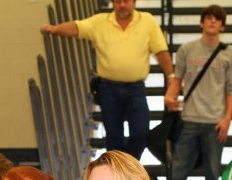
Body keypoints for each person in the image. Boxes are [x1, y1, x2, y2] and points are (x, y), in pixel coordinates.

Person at [41, 0, 174, 160]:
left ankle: (128, 164)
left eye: (126, 1)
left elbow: (161, 51)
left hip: (136, 88)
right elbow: (77, 27)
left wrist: (171, 77)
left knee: (141, 132)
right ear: (113, 3)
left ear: (134, 2)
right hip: (108, 88)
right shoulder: (100, 22)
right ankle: (118, 168)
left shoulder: (147, 21)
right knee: (113, 136)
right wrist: (55, 29)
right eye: (118, 1)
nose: (122, 5)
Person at [164, 4, 232, 180]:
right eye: (208, 18)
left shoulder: (229, 52)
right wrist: (169, 96)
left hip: (215, 123)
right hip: (189, 119)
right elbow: (177, 80)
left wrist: (227, 118)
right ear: (201, 22)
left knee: (213, 175)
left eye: (217, 19)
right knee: (177, 174)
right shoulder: (187, 50)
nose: (212, 21)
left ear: (223, 26)